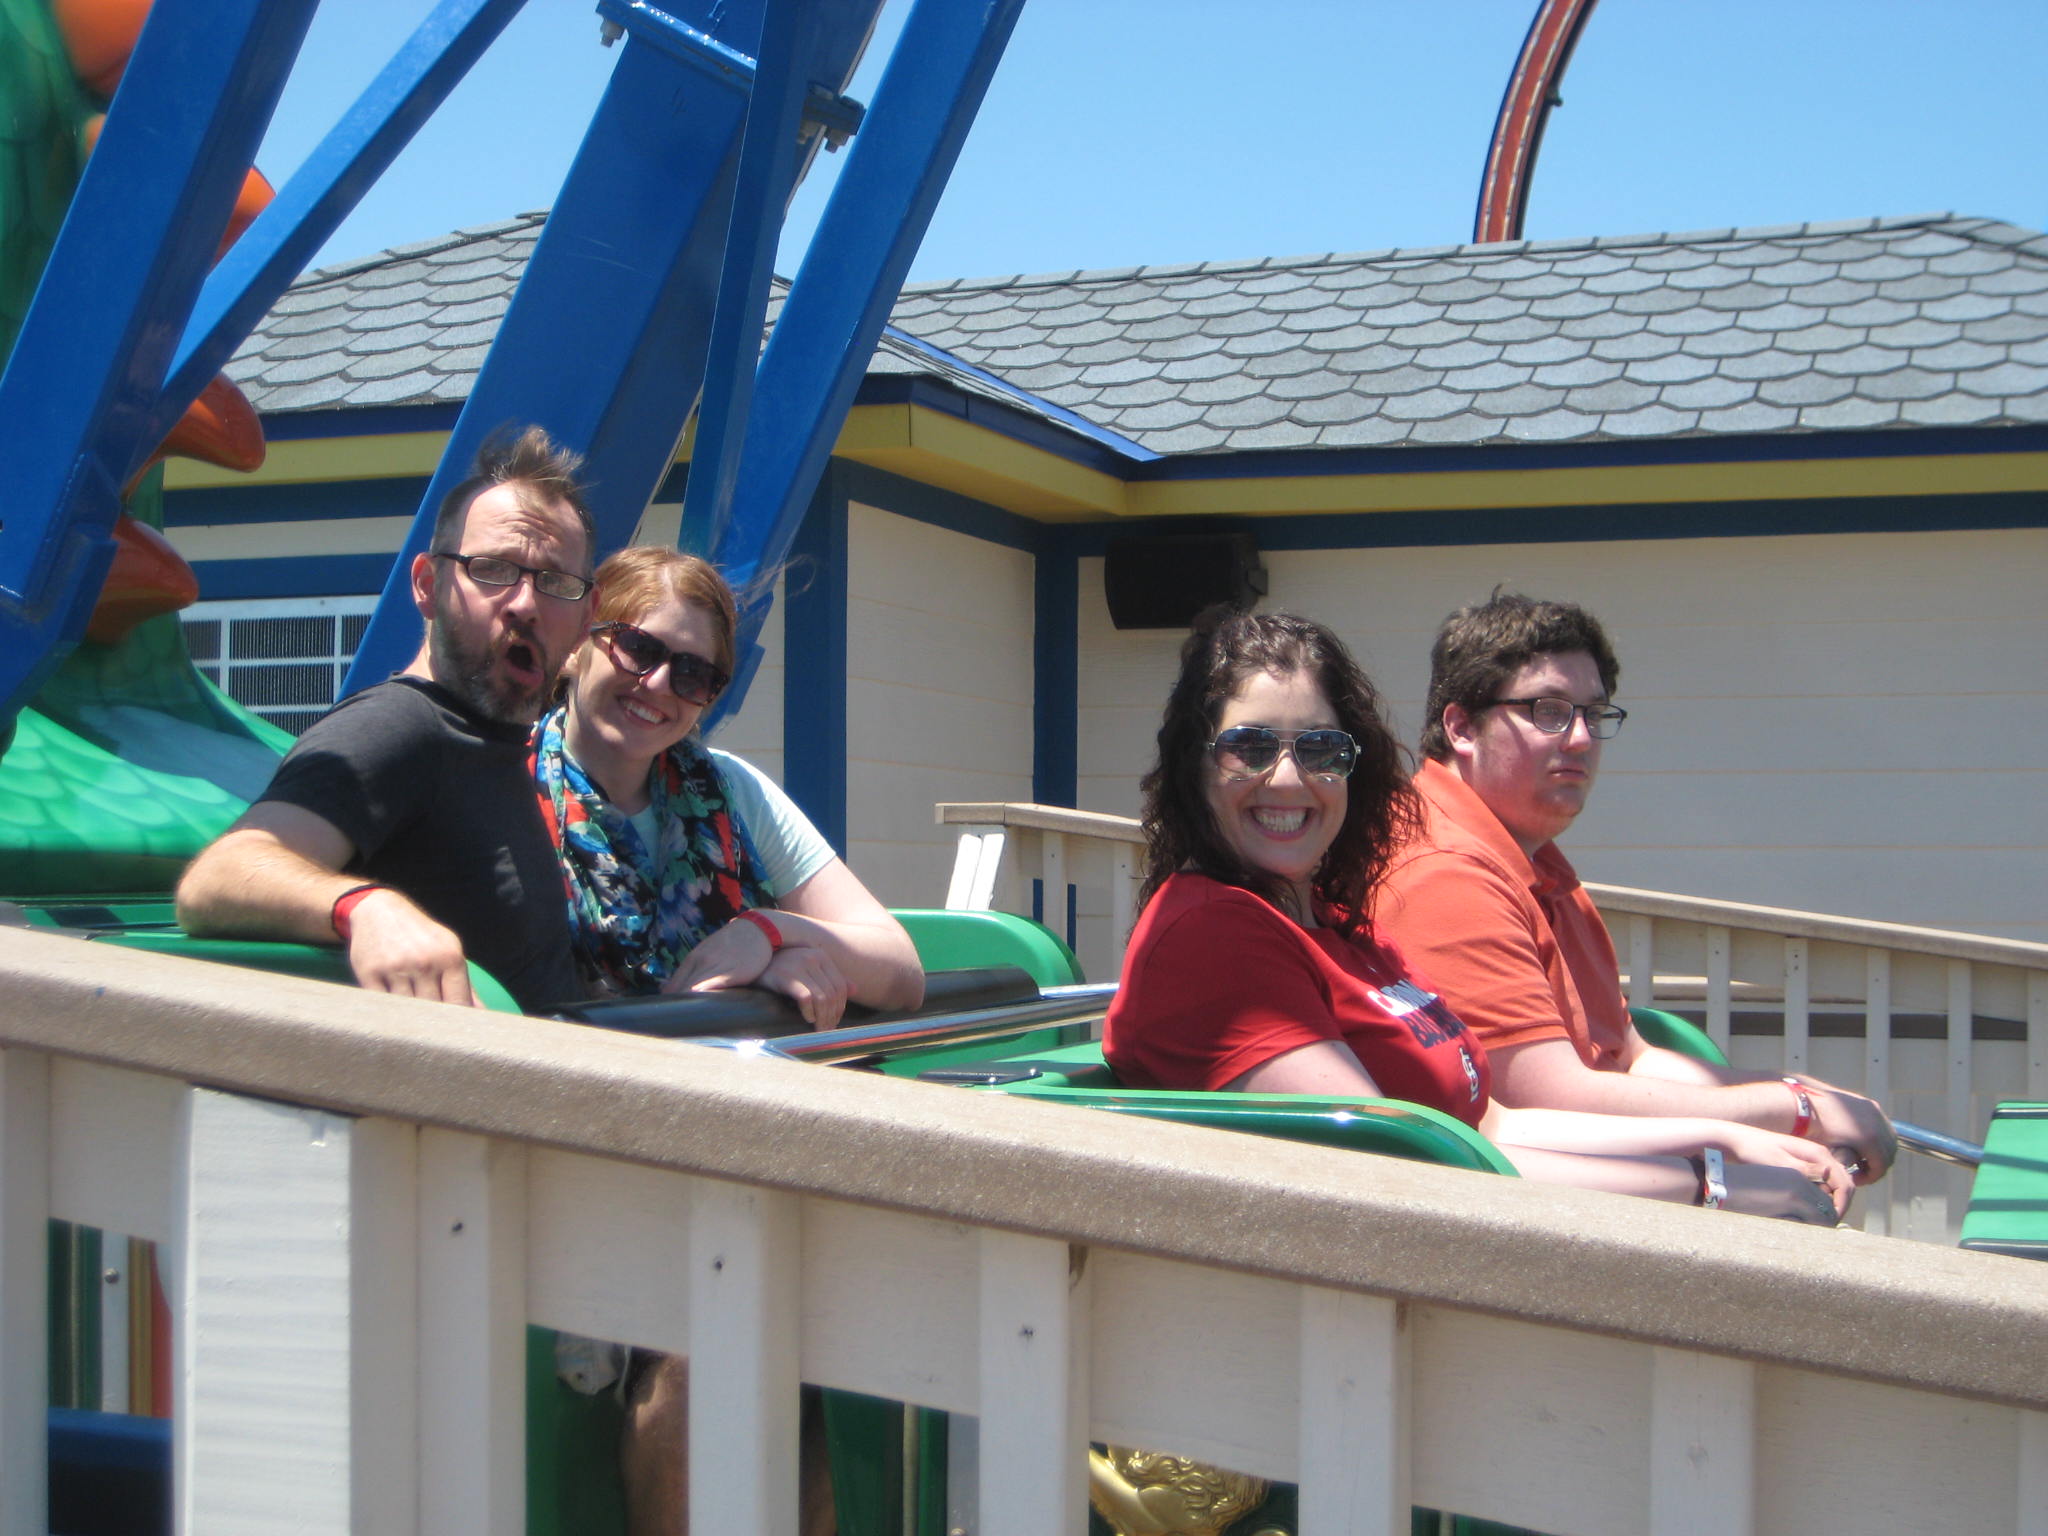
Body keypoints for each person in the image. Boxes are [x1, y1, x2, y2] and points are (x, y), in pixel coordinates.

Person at [1103, 609, 1848, 1220]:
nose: (1290, 778)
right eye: (1252, 747)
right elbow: (1397, 1161)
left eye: (1324, 749)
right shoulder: (1214, 934)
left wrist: (1726, 1139)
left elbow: (1496, 1122)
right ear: (1194, 765)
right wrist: (1709, 1186)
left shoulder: (1335, 923)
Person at [533, 544, 922, 1535]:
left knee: (853, 1333)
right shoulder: (504, 793)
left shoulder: (730, 796)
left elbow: (896, 963)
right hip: (585, 1156)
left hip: (745, 1148)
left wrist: (764, 936)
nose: (659, 687)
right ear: (583, 640)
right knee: (706, 1333)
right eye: (638, 648)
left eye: (695, 673)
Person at [1371, 591, 1897, 1184]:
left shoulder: (1537, 862)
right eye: (1548, 710)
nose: (1579, 739)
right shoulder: (1441, 870)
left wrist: (1801, 1097)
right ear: (1462, 726)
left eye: (1593, 715)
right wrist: (1797, 1112)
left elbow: (1630, 1056)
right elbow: (1546, 1101)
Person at [175, 427, 597, 1013]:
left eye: (555, 582)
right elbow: (217, 879)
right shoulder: (398, 726)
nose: (525, 604)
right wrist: (368, 907)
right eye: (494, 570)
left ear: (584, 619)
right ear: (428, 585)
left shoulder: (494, 741)